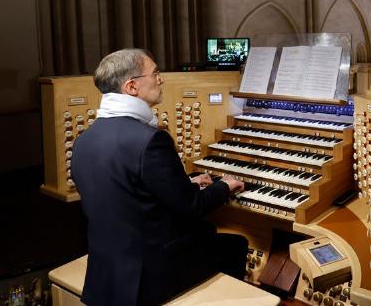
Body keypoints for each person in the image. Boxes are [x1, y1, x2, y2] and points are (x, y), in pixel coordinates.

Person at [72, 49, 247, 305]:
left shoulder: (84, 141)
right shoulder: (150, 140)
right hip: (150, 275)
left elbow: (127, 191)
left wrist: (186, 183)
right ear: (132, 86)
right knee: (234, 244)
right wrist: (224, 186)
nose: (161, 79)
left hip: (107, 270)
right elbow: (192, 207)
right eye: (155, 73)